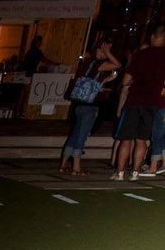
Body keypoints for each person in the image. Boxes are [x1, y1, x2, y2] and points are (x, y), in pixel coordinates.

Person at [60, 38, 120, 175]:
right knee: (82, 136)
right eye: (107, 49)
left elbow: (90, 83)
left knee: (75, 134)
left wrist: (106, 80)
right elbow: (118, 64)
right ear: (100, 48)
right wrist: (107, 52)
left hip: (78, 103)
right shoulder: (98, 64)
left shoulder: (87, 63)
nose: (108, 52)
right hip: (89, 105)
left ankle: (63, 164)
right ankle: (76, 167)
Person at [113, 24, 165, 181]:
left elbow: (125, 81)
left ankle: (120, 172)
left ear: (153, 37)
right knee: (141, 140)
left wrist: (135, 80)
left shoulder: (141, 55)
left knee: (126, 139)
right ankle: (135, 172)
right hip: (153, 102)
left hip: (135, 101)